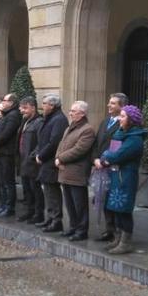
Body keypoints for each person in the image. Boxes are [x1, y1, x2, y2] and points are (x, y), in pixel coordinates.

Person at [100, 105, 147, 254]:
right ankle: (118, 238)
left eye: (123, 116)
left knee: (124, 209)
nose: (120, 119)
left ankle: (126, 242)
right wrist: (107, 157)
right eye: (120, 116)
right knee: (115, 208)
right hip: (116, 175)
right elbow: (109, 152)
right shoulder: (120, 134)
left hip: (126, 177)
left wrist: (107, 158)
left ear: (131, 120)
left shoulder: (134, 139)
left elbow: (116, 155)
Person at [55, 101, 95, 241]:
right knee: (70, 203)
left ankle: (81, 230)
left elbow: (79, 150)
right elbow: (61, 144)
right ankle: (73, 227)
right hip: (65, 171)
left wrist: (60, 158)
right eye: (70, 110)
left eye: (73, 111)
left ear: (82, 113)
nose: (70, 113)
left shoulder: (87, 130)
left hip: (77, 172)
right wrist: (58, 157)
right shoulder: (70, 128)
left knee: (80, 204)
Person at [91, 92, 127, 241]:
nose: (108, 105)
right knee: (102, 198)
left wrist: (107, 161)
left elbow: (121, 148)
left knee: (113, 199)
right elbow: (96, 143)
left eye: (113, 103)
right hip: (100, 167)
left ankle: (118, 232)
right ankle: (109, 229)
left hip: (114, 168)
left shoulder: (124, 124)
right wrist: (95, 159)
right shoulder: (105, 121)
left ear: (121, 106)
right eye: (109, 102)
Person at [34, 94, 69, 232]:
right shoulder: (51, 118)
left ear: (52, 105)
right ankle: (50, 218)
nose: (42, 106)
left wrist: (41, 156)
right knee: (48, 191)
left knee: (52, 192)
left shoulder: (59, 119)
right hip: (45, 161)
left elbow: (54, 141)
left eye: (44, 103)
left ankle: (56, 220)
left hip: (50, 161)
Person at [0, 93, 22, 217]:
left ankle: (9, 207)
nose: (2, 102)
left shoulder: (13, 116)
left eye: (5, 100)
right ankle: (3, 204)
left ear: (12, 103)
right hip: (0, 152)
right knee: (2, 181)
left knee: (8, 181)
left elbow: (6, 134)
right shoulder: (7, 115)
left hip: (6, 153)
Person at [17, 96, 44, 224]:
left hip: (32, 163)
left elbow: (41, 142)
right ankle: (30, 211)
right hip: (23, 161)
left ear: (33, 107)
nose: (22, 110)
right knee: (27, 189)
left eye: (25, 108)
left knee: (35, 189)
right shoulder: (25, 121)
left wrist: (33, 156)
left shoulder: (39, 122)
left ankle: (38, 214)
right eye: (21, 108)